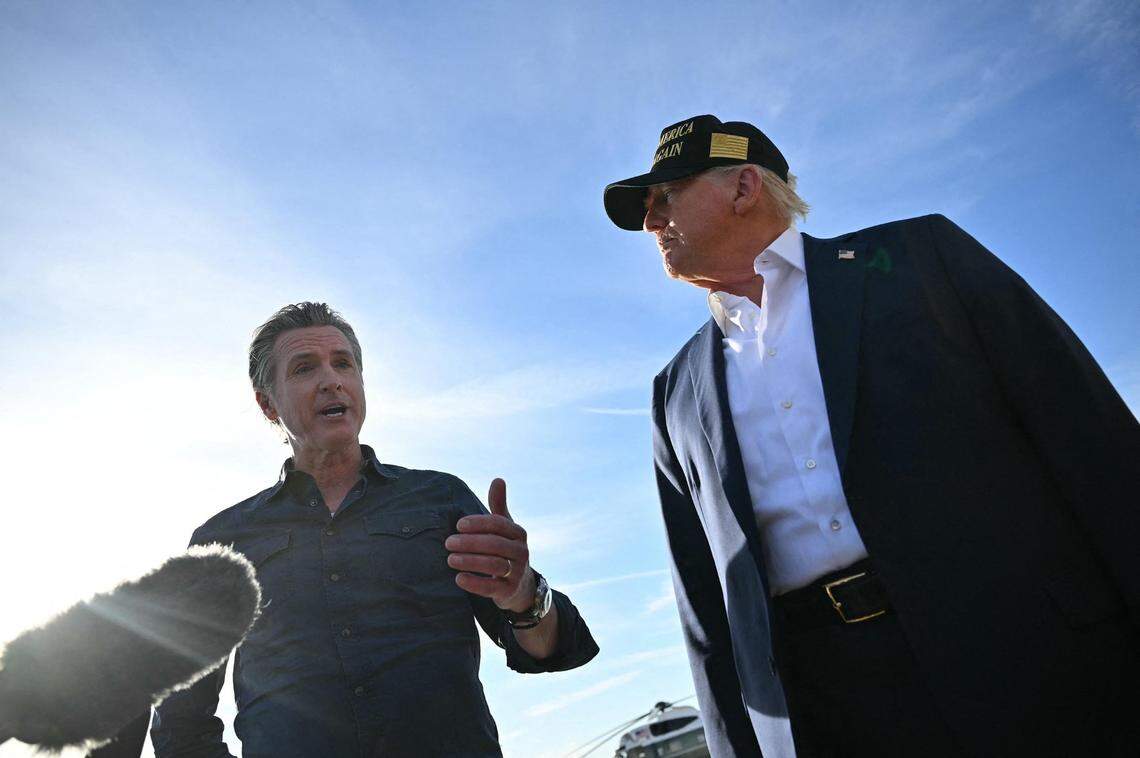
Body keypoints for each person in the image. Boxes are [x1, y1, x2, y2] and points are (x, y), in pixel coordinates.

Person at [603, 115, 1139, 757]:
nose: (650, 221)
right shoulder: (675, 393)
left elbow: (1094, 447)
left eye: (665, 196)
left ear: (744, 186)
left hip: (1032, 656)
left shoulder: (919, 259)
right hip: (828, 710)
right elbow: (706, 608)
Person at [148, 302, 598, 757]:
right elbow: (180, 724)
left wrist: (524, 595)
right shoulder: (221, 543)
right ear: (268, 404)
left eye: (343, 363)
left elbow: (549, 650)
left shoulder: (441, 499)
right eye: (305, 368)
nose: (331, 380)